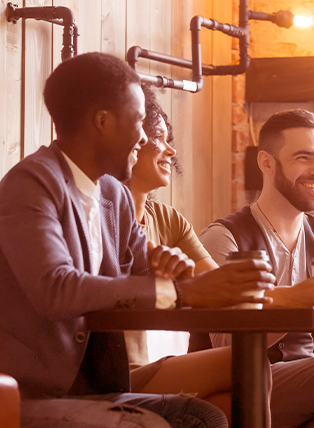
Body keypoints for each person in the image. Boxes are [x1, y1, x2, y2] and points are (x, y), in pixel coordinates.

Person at [0, 52, 275, 428]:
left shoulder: (113, 195)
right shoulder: (31, 185)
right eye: (139, 121)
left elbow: (143, 282)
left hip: (97, 390)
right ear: (103, 122)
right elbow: (55, 288)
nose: (145, 137)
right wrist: (182, 293)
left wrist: (172, 276)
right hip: (28, 394)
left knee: (203, 417)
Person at [199, 108, 314, 428]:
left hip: (305, 388)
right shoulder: (224, 237)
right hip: (236, 385)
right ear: (266, 163)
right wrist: (297, 299)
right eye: (303, 158)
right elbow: (224, 343)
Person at [124, 84, 270, 426]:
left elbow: (222, 289)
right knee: (244, 363)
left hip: (153, 366)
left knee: (225, 404)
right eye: (159, 136)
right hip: (117, 373)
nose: (170, 150)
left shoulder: (168, 219)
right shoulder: (100, 215)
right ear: (132, 140)